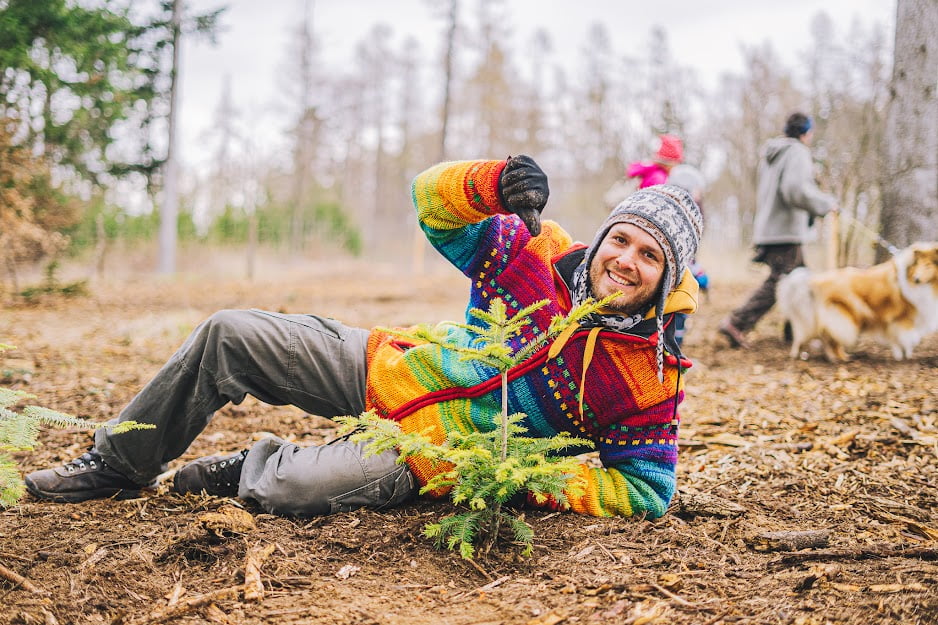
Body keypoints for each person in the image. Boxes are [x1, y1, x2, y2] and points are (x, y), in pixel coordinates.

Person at [25, 155, 702, 520]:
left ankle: (246, 467)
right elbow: (430, 204)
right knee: (229, 334)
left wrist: (519, 478)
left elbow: (646, 490)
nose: (626, 260)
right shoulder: (534, 250)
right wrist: (491, 183)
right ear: (605, 236)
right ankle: (118, 462)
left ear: (666, 276)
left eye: (649, 255)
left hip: (428, 457)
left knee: (287, 491)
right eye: (622, 238)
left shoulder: (647, 376)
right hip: (390, 366)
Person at [718, 113, 837, 349]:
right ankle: (736, 322)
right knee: (782, 282)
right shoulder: (797, 152)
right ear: (807, 133)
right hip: (785, 231)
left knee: (800, 280)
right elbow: (796, 190)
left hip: (773, 229)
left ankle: (795, 332)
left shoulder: (774, 153)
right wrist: (826, 203)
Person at [665, 164, 709, 347]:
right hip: (674, 285)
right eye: (697, 191)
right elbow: (682, 258)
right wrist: (699, 274)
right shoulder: (681, 217)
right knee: (676, 316)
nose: (700, 195)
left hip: (675, 283)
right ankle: (673, 352)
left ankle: (672, 347)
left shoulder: (671, 212)